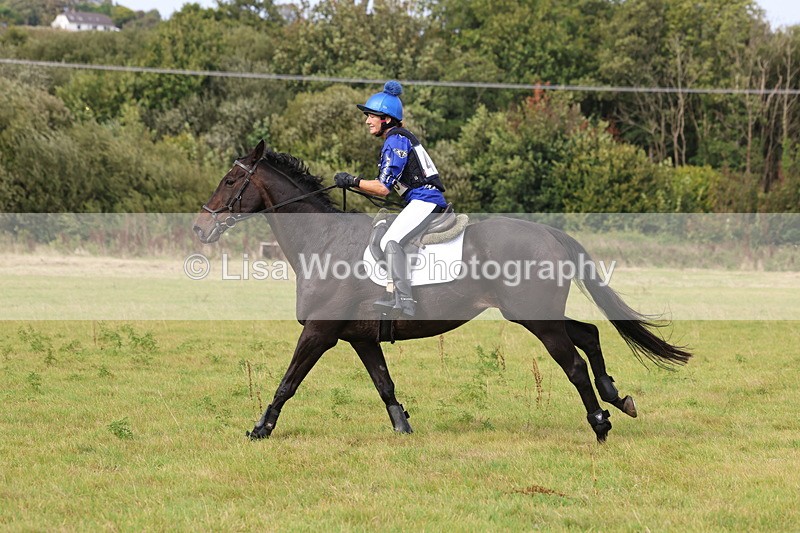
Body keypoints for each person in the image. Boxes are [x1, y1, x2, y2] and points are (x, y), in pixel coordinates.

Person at [334, 80, 448, 318]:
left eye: (371, 116)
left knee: (390, 240)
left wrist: (352, 181)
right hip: (420, 199)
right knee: (382, 234)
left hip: (425, 199)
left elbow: (383, 188)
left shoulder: (395, 140)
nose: (367, 120)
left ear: (385, 118)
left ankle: (404, 300)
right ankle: (390, 291)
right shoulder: (397, 138)